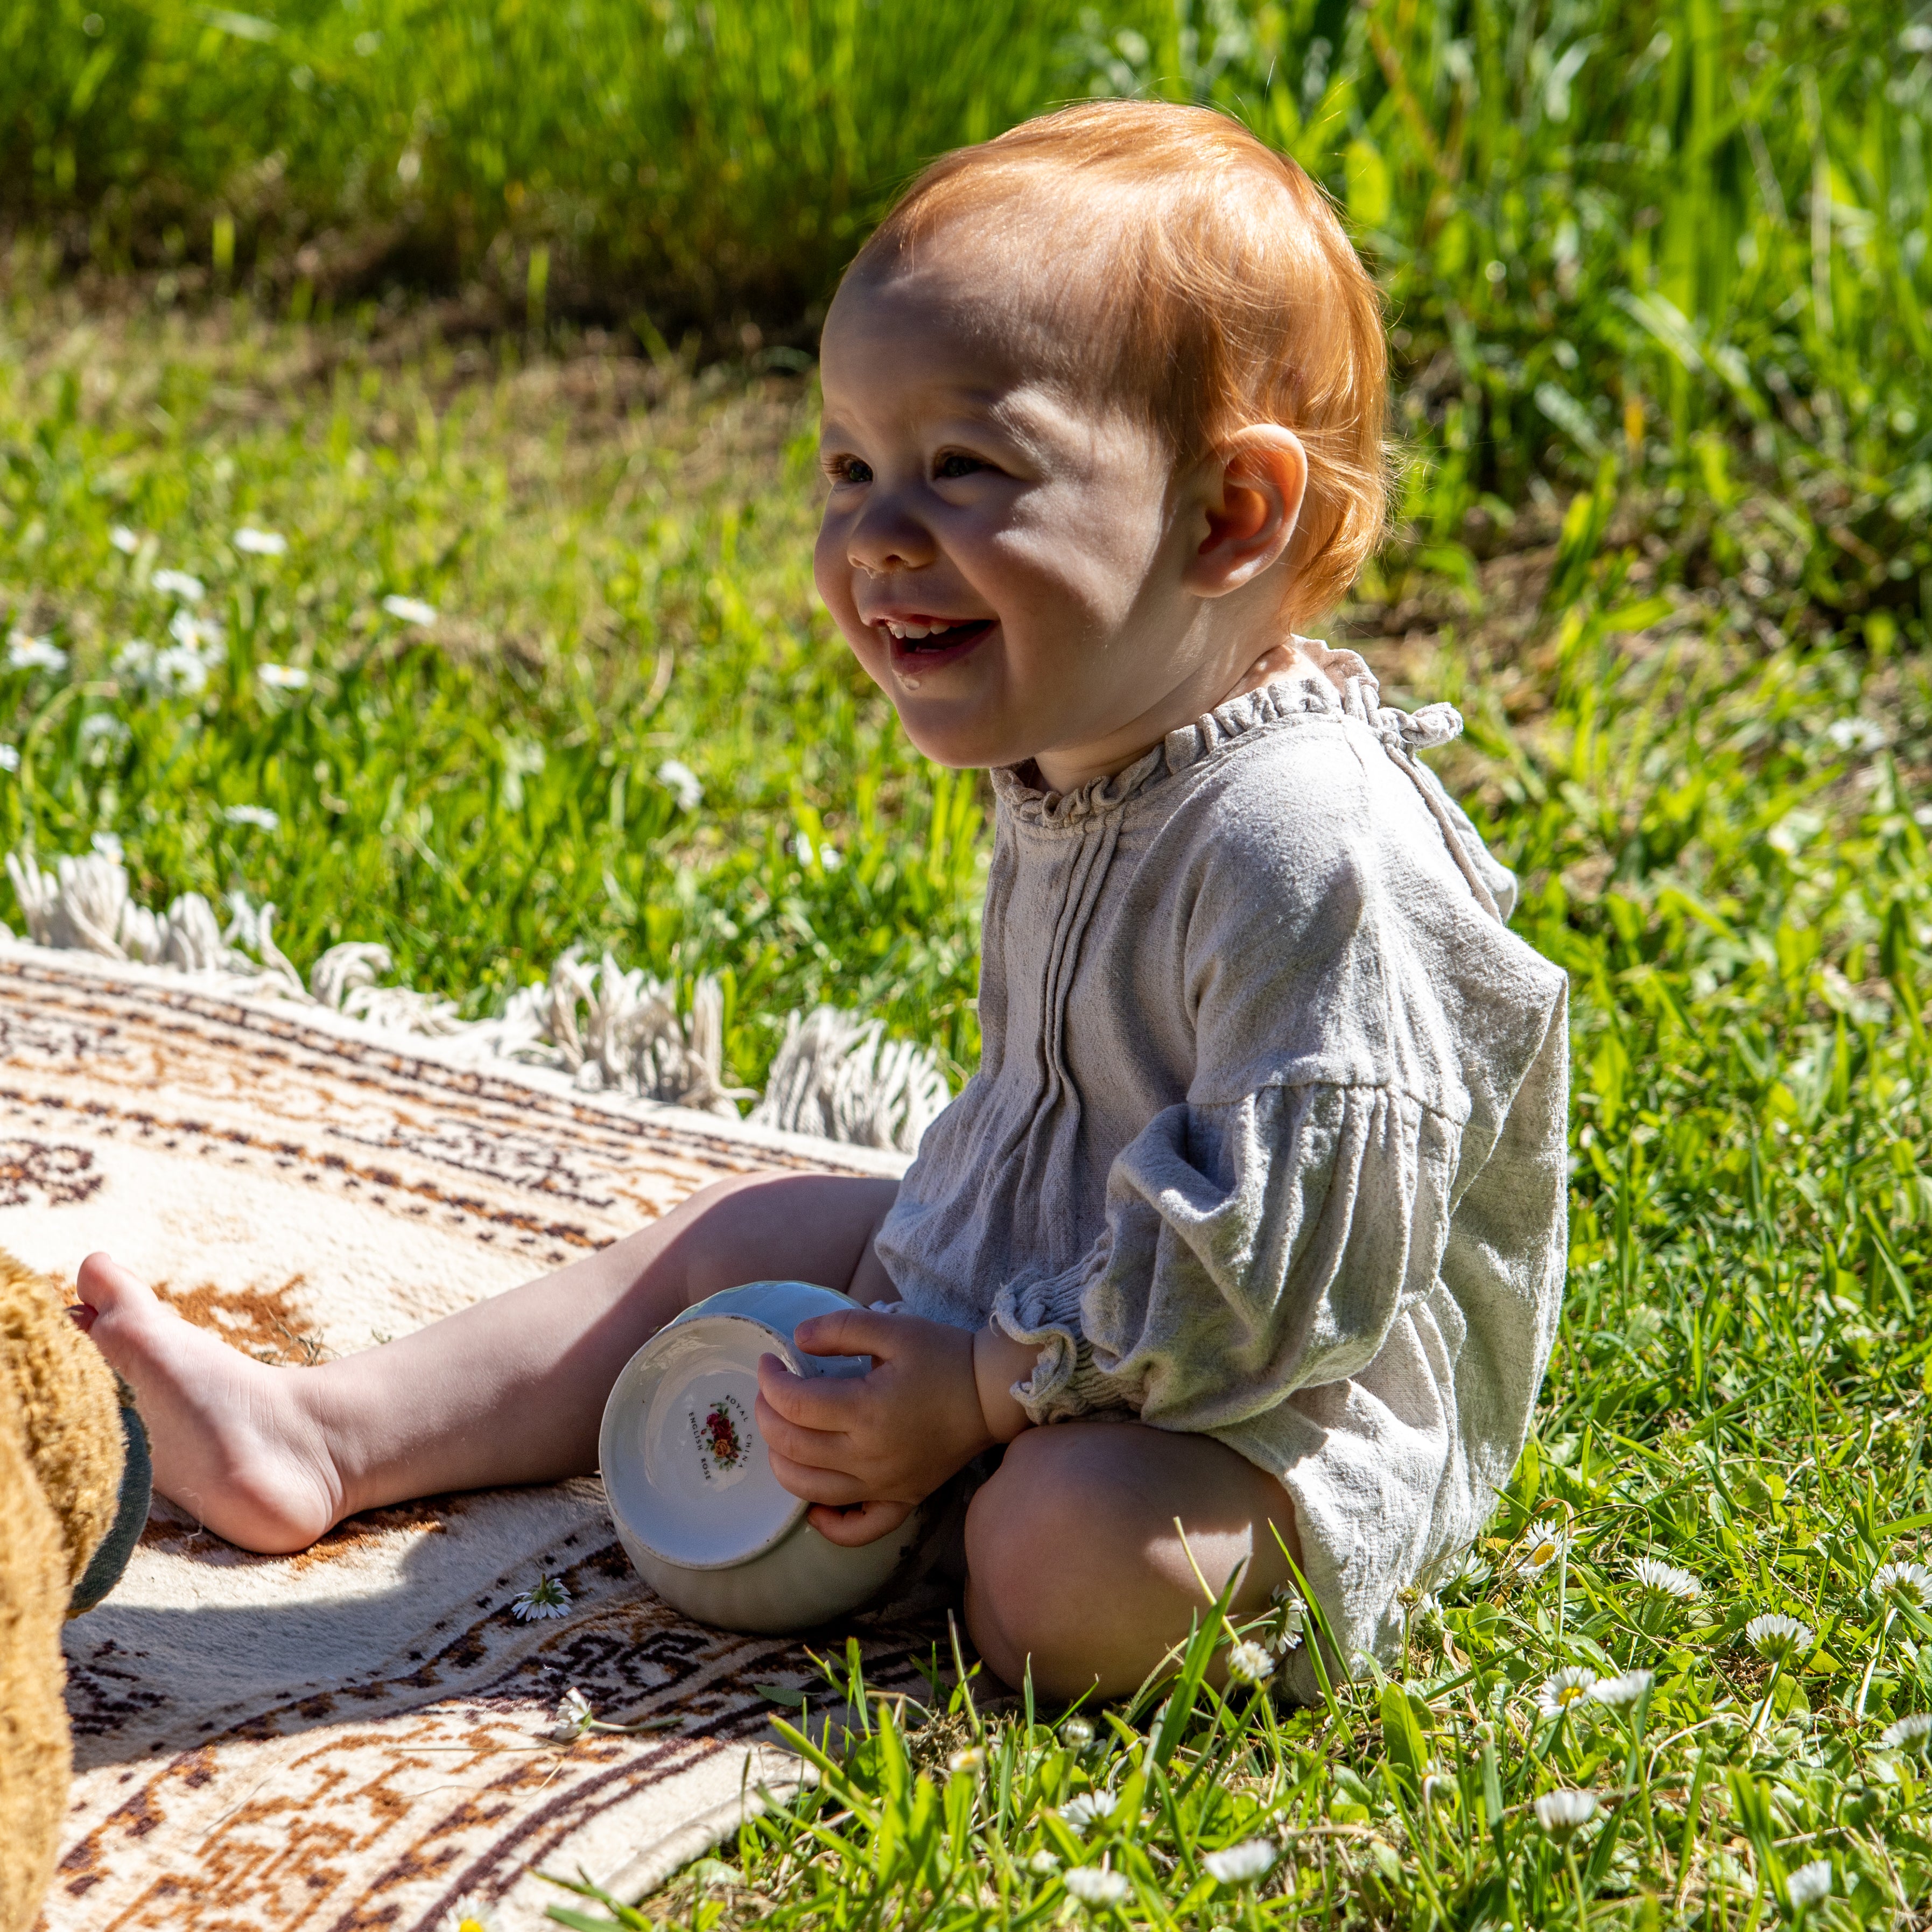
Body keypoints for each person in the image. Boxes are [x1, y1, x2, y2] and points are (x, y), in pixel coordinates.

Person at [71, 101, 1568, 1703]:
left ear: (1228, 516)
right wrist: (952, 1356)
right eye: (850, 466)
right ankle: (323, 1432)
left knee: (1064, 1558)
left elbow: (1285, 1291)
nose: (875, 537)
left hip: (1265, 1404)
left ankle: (973, 1515)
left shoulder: (1304, 846)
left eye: (965, 468)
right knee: (753, 1236)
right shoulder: (1094, 745)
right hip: (1058, 1286)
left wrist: (986, 1390)